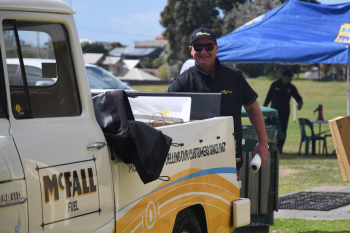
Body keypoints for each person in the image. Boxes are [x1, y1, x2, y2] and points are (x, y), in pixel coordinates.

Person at [167, 27, 269, 169]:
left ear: (216, 48)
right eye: (198, 47)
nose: (203, 52)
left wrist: (263, 143)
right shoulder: (182, 83)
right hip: (192, 166)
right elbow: (166, 119)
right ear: (191, 50)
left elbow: (252, 107)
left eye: (208, 46)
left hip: (230, 162)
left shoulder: (235, 77)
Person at [263, 69, 303, 154]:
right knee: (272, 130)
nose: (291, 79)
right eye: (290, 77)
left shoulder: (291, 87)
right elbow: (268, 98)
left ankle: (279, 147)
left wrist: (300, 103)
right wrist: (264, 109)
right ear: (284, 77)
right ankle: (271, 146)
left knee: (283, 131)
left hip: (285, 113)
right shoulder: (275, 85)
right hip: (273, 113)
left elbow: (298, 97)